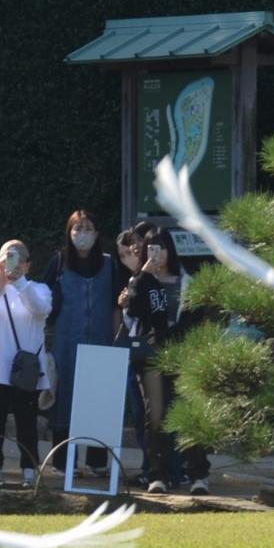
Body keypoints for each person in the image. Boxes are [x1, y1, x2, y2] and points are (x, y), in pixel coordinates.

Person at [119, 224, 209, 494]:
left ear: (171, 250)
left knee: (187, 414)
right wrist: (142, 275)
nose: (157, 254)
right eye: (151, 249)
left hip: (184, 354)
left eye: (161, 248)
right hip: (151, 357)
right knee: (155, 415)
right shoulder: (142, 281)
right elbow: (133, 310)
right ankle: (157, 474)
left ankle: (198, 475)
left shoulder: (187, 282)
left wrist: (167, 335)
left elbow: (194, 318)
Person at [0, 237, 51, 487]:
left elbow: (40, 309)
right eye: (8, 257)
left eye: (18, 258)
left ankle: (29, 468)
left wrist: (19, 282)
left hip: (25, 372)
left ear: (28, 264)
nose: (13, 263)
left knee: (26, 421)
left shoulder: (39, 289)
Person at [45, 209, 118, 477]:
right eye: (77, 229)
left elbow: (116, 305)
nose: (82, 234)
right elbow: (44, 299)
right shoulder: (60, 261)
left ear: (97, 233)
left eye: (88, 228)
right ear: (69, 233)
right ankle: (64, 462)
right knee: (64, 397)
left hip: (101, 340)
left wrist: (116, 338)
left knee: (98, 398)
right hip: (66, 341)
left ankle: (97, 461)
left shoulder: (110, 263)